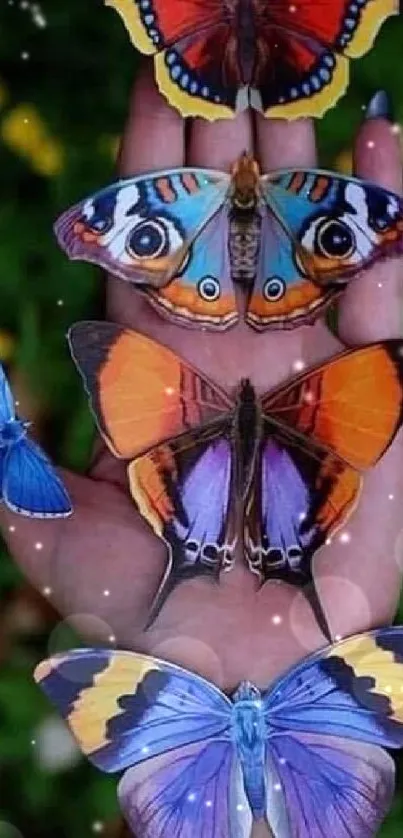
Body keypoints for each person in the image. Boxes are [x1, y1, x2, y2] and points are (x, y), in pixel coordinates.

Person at [0, 70, 402, 700]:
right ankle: (284, 558)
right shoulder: (312, 401)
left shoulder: (187, 396)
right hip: (294, 467)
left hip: (199, 460)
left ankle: (239, 553)